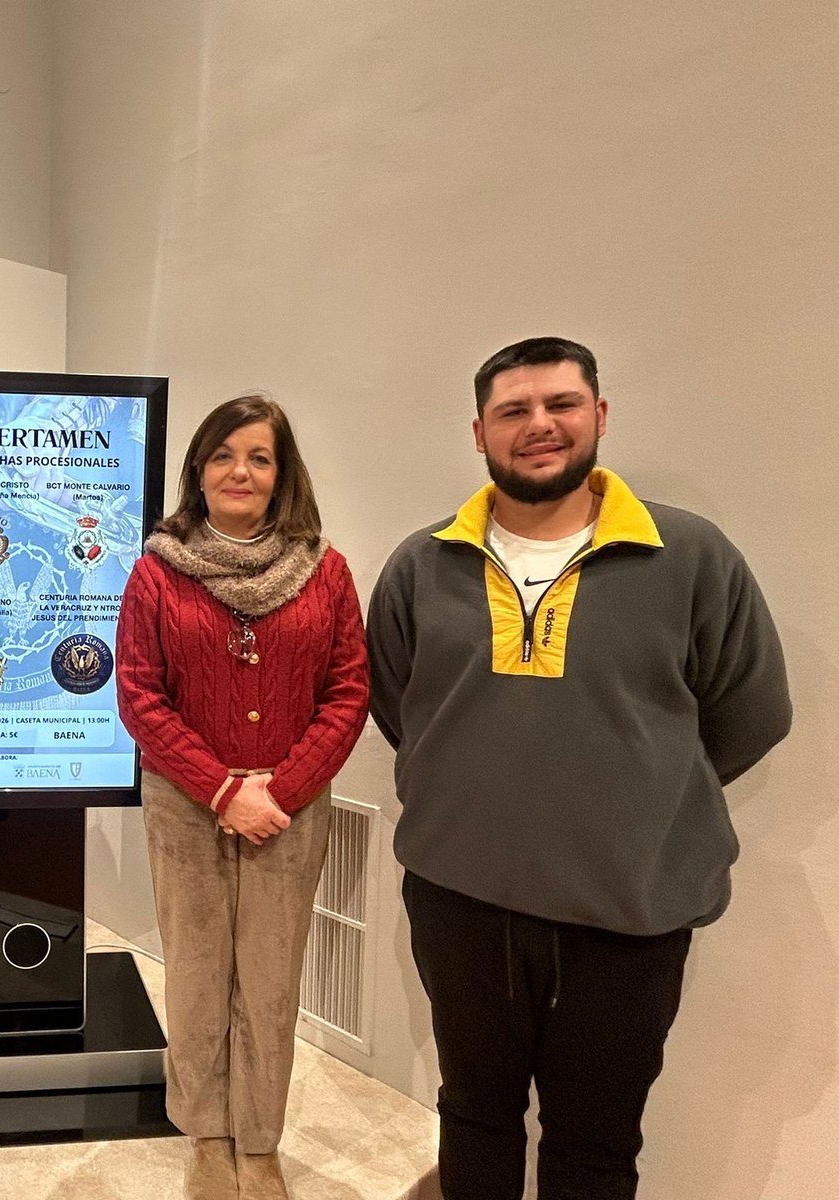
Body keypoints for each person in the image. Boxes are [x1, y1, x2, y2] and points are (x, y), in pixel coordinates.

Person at [366, 336, 792, 1199]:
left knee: (595, 1145)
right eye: (513, 411)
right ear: (479, 434)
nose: (539, 426)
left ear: (598, 416)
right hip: (461, 904)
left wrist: (636, 793)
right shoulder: (422, 564)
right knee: (475, 1115)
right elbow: (398, 705)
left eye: (560, 404)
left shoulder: (691, 556)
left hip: (625, 920)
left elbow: (751, 715)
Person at [115, 393, 370, 1199]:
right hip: (185, 805)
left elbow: (349, 689)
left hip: (290, 814)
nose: (241, 471)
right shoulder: (158, 569)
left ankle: (258, 1141)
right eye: (224, 454)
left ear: (281, 473)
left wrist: (281, 789)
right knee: (195, 975)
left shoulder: (325, 571)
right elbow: (138, 695)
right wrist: (223, 789)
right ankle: (206, 1134)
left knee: (268, 980)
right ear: (198, 467)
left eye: (259, 457)